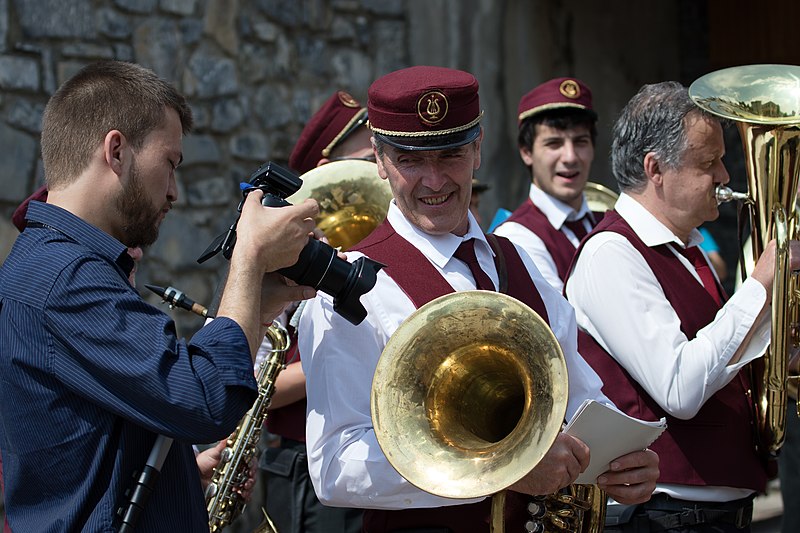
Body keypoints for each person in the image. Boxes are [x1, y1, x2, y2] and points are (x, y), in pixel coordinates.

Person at [297, 65, 659, 533]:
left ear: (478, 150)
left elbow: (581, 395)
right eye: (410, 160)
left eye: (450, 155)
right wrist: (503, 470)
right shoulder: (345, 289)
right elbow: (336, 467)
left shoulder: (517, 259)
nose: (433, 180)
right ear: (380, 162)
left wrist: (622, 457)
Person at [0, 60, 319, 532]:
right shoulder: (66, 278)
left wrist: (264, 300)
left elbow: (93, 450)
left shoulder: (52, 261)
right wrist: (248, 256)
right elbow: (207, 399)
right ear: (116, 151)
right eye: (170, 164)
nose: (174, 192)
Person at [564, 81, 800, 532]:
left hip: (706, 513)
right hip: (662, 516)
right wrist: (761, 285)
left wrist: (782, 357)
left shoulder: (684, 249)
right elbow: (679, 389)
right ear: (656, 168)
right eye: (709, 162)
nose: (725, 177)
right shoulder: (611, 254)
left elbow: (717, 363)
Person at [258, 90, 371, 533]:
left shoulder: (384, 243)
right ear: (328, 172)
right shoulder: (286, 253)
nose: (379, 173)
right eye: (364, 162)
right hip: (309, 468)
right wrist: (346, 360)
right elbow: (249, 380)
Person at [493, 77, 603, 292]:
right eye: (554, 144)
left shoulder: (605, 220)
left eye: (580, 142)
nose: (570, 157)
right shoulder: (516, 237)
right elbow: (559, 322)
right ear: (526, 153)